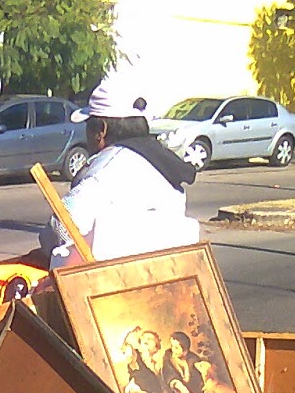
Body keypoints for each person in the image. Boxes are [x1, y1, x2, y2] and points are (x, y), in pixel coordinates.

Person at [38, 82, 198, 268]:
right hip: (165, 271)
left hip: (110, 280)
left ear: (101, 131)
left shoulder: (104, 171)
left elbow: (62, 225)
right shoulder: (164, 164)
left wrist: (50, 248)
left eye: (89, 126)